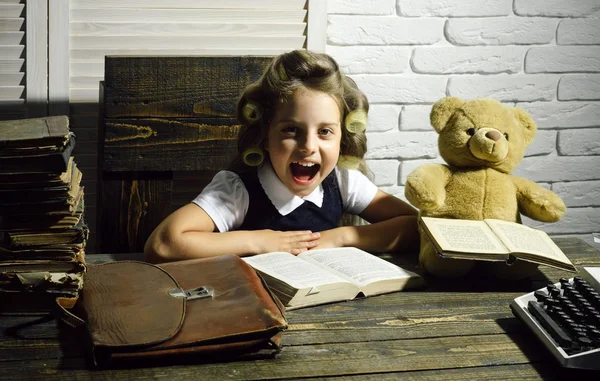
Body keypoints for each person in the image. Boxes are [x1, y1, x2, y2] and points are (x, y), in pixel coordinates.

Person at [144, 50, 418, 263]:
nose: (308, 146)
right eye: (291, 130)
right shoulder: (239, 189)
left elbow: (416, 227)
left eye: (324, 131)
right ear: (265, 134)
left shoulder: (344, 182)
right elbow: (163, 244)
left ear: (342, 138)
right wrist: (261, 242)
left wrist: (342, 237)